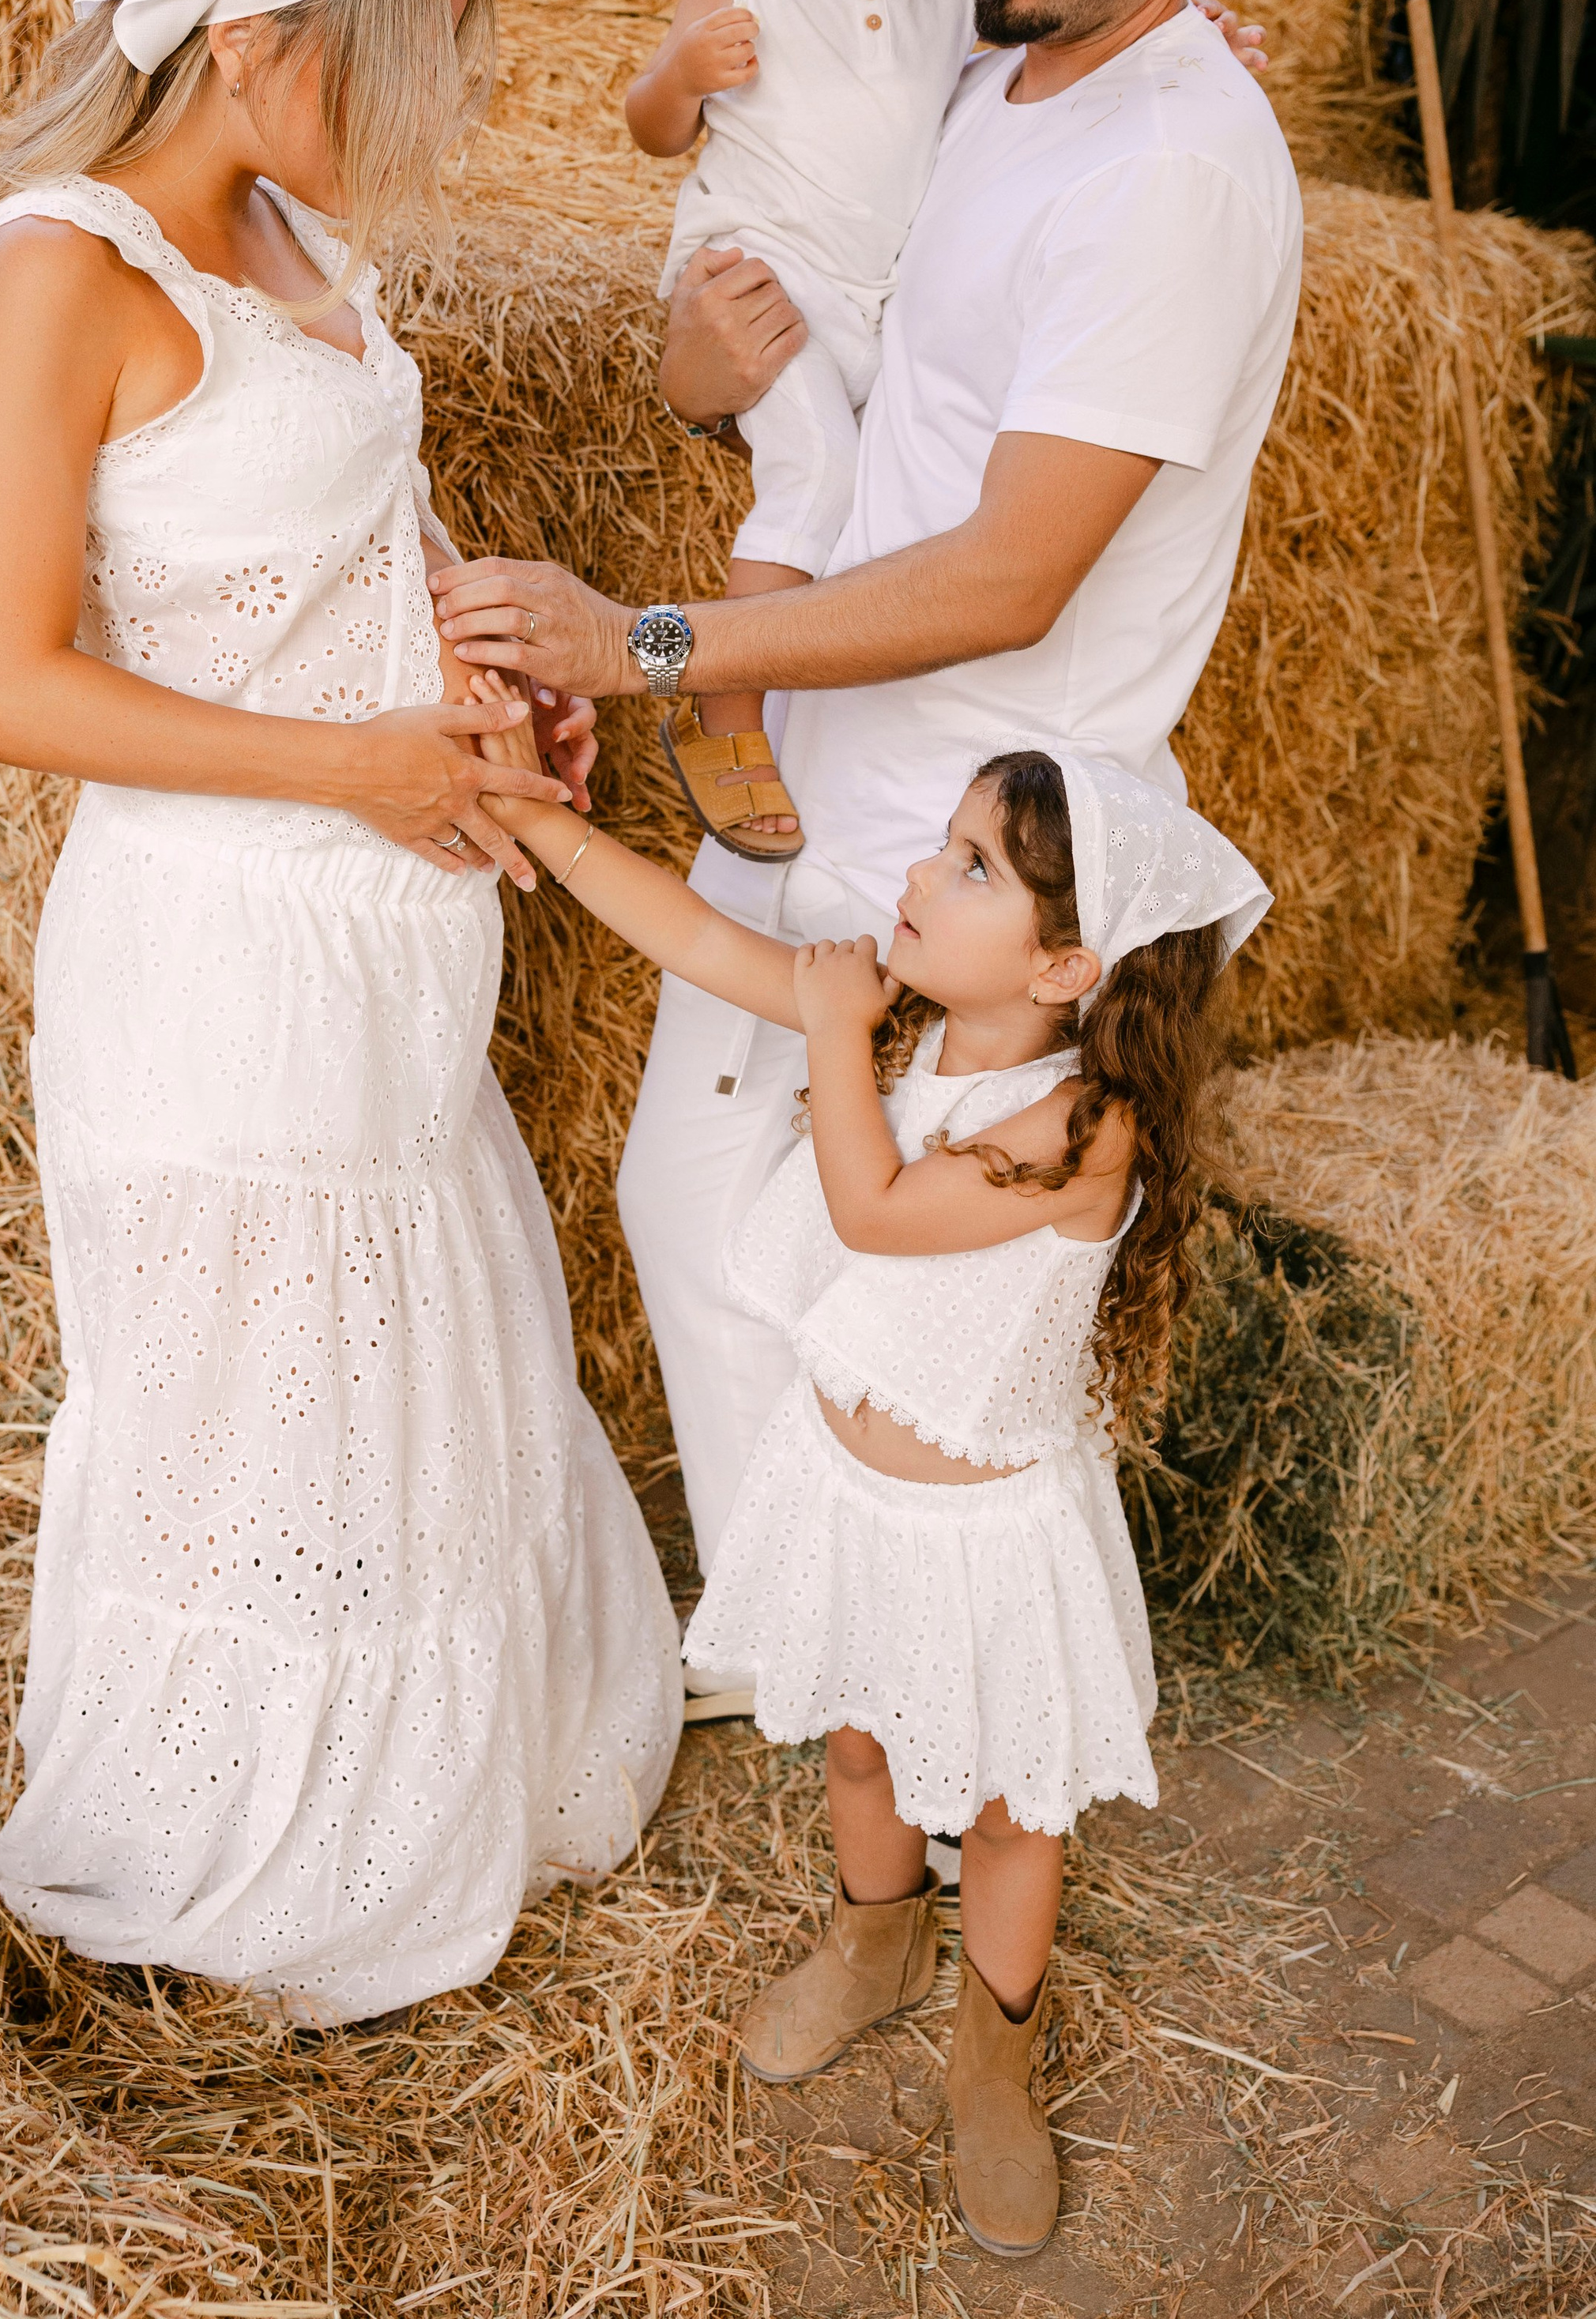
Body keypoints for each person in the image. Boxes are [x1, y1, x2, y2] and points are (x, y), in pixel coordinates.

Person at [431, 0, 1303, 1726]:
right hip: (811, 784)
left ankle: (905, 1717)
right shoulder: (987, 77)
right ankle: (823, 1672)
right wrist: (693, 370)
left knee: (912, 1312)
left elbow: (1010, 574)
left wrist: (648, 647)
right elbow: (763, 352)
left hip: (975, 859)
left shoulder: (1181, 170)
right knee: (702, 1213)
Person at [0, 0, 683, 2024]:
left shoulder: (310, 258)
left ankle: (424, 1788)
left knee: (405, 1369)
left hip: (389, 964)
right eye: (412, 69)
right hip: (218, 963)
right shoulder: (65, 267)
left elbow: (386, 545)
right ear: (261, 39)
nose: (442, 129)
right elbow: (7, 684)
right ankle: (247, 1847)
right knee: (250, 1403)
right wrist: (360, 769)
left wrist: (484, 715)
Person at [468, 700, 1269, 2258]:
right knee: (855, 1747)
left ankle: (993, 2048)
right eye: (944, 839)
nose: (919, 871)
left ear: (1063, 968)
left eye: (972, 866)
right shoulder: (898, 1019)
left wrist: (831, 1031)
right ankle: (873, 1943)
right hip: (851, 1493)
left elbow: (880, 1210)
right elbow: (704, 943)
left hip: (984, 1532)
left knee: (999, 1804)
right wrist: (543, 826)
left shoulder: (1082, 1128)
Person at [624, 0, 977, 856]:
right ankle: (720, 698)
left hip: (871, 299)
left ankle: (778, 699)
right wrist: (681, 78)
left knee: (879, 498)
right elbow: (651, 129)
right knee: (818, 469)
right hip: (757, 278)